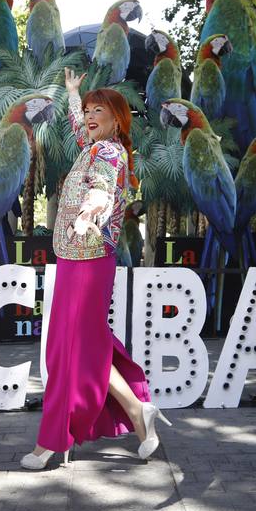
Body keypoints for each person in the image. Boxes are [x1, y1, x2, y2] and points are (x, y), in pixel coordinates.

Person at [22, 69, 160, 470]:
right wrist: (72, 94)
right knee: (81, 346)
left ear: (118, 118)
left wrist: (91, 210)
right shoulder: (91, 145)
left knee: (68, 348)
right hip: (71, 258)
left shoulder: (109, 153)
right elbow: (78, 128)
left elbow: (101, 186)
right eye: (88, 110)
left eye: (99, 110)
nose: (90, 115)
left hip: (90, 258)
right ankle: (137, 411)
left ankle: (52, 439)